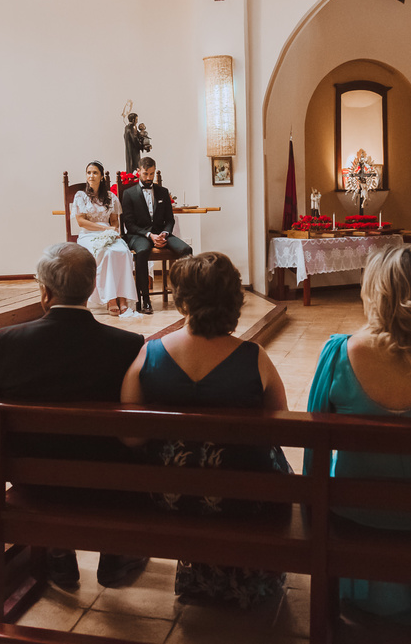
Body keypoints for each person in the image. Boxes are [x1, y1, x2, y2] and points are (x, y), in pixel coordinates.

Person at [306, 244, 411, 625]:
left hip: (355, 511)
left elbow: (312, 445)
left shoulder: (337, 354)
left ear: (374, 291)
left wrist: (311, 508)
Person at [120, 252, 290, 608]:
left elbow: (132, 436)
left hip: (169, 496)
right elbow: (282, 431)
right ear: (234, 299)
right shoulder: (253, 357)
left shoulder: (149, 355)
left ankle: (200, 576)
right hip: (242, 499)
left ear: (184, 302)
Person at [0, 242, 149, 588]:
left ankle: (58, 551)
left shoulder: (8, 340)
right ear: (92, 288)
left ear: (45, 292)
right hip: (106, 482)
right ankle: (116, 552)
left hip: (34, 480)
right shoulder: (127, 344)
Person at [121, 156, 193, 314]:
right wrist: (149, 235)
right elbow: (129, 225)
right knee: (142, 252)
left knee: (186, 250)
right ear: (138, 172)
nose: (149, 178)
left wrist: (164, 234)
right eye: (146, 174)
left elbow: (170, 219)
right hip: (139, 235)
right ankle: (145, 300)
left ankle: (187, 296)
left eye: (152, 174)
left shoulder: (163, 192)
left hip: (162, 233)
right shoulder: (129, 194)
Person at [71, 161, 138, 316]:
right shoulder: (80, 196)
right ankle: (111, 298)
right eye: (88, 172)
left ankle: (123, 299)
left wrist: (113, 230)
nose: (91, 176)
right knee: (106, 253)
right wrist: (104, 228)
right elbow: (81, 221)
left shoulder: (111, 197)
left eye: (95, 172)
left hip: (108, 232)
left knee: (123, 252)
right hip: (88, 234)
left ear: (101, 176)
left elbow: (115, 221)